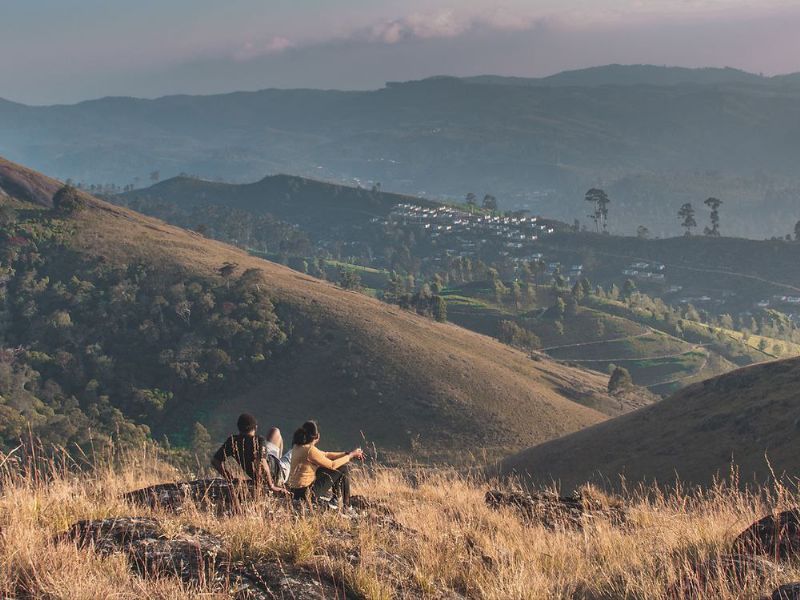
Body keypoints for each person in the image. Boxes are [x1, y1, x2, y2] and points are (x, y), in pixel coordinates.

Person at [286, 420, 364, 508]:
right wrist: (351, 456)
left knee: (323, 469)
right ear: (317, 436)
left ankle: (336, 499)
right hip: (306, 493)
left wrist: (346, 453)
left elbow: (325, 454)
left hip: (295, 491)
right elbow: (332, 465)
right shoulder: (309, 450)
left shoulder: (298, 446)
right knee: (342, 468)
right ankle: (346, 505)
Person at [211, 413, 288, 496]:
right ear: (255, 428)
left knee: (275, 431)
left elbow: (215, 461)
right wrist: (272, 486)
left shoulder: (232, 441)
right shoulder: (258, 440)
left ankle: (278, 459)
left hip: (270, 458)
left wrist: (230, 478)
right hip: (278, 473)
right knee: (296, 449)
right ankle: (282, 472)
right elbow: (262, 463)